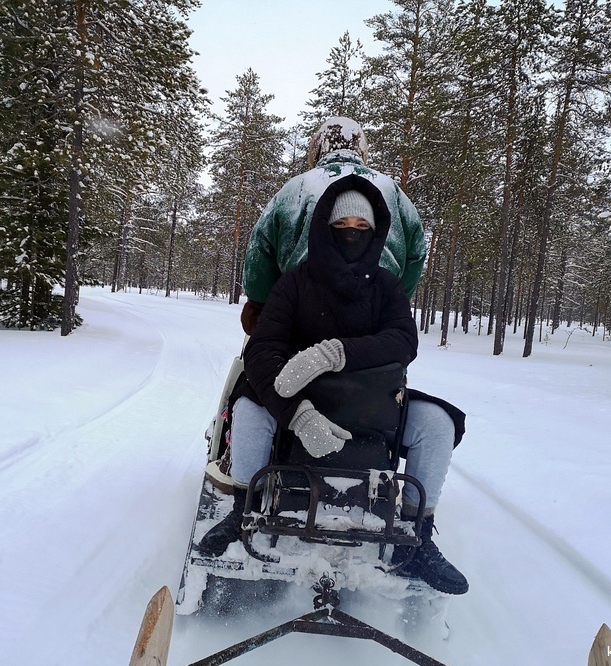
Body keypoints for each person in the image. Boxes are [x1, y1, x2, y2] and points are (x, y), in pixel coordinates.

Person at [199, 174, 468, 596]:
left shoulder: (385, 286)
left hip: (371, 402)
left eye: (362, 229)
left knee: (437, 423)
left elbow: (404, 340)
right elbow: (263, 350)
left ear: (375, 233)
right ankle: (243, 510)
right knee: (249, 407)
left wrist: (333, 353)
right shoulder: (296, 283)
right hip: (302, 401)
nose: (351, 235)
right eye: (342, 227)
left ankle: (418, 535)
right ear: (325, 229)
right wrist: (297, 414)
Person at [240, 116, 427, 335]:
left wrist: (259, 305)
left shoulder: (295, 189)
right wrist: (394, 296)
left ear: (318, 148)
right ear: (362, 149)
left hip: (301, 319)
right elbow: (417, 253)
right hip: (375, 324)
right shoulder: (392, 191)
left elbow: (260, 251)